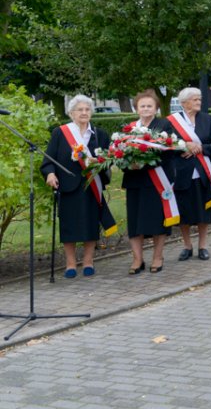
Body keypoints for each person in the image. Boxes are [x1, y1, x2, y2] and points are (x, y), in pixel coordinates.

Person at [41, 94, 117, 278]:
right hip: (68, 187)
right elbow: (48, 160)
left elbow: (109, 160)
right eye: (80, 110)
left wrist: (98, 161)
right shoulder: (60, 133)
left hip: (92, 186)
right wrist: (50, 173)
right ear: (72, 113)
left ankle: (88, 261)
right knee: (69, 226)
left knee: (91, 224)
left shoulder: (100, 135)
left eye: (87, 109)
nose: (84, 113)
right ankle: (70, 264)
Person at [122, 89, 177, 274]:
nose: (145, 109)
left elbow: (169, 151)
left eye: (149, 106)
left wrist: (144, 163)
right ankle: (137, 259)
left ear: (156, 108)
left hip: (157, 180)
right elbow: (119, 152)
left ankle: (157, 257)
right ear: (136, 108)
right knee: (135, 222)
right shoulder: (129, 128)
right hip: (135, 179)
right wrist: (129, 164)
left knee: (157, 221)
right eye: (142, 106)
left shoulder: (164, 125)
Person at [168, 87, 211, 262]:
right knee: (183, 211)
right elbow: (166, 145)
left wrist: (200, 148)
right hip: (181, 173)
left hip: (203, 172)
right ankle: (187, 246)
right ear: (184, 103)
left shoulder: (207, 120)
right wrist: (184, 146)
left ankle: (203, 246)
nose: (199, 102)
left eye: (199, 99)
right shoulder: (171, 122)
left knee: (203, 210)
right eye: (194, 99)